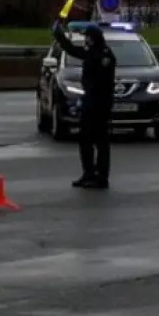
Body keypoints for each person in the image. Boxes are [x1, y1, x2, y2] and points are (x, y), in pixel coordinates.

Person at [52, 20, 117, 189]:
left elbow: (100, 80)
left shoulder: (104, 55)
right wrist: (60, 36)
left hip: (100, 104)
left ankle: (101, 177)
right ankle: (88, 173)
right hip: (90, 101)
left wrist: (92, 99)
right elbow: (74, 50)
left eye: (87, 37)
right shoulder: (93, 52)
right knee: (85, 139)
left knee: (101, 141)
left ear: (94, 38)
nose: (85, 40)